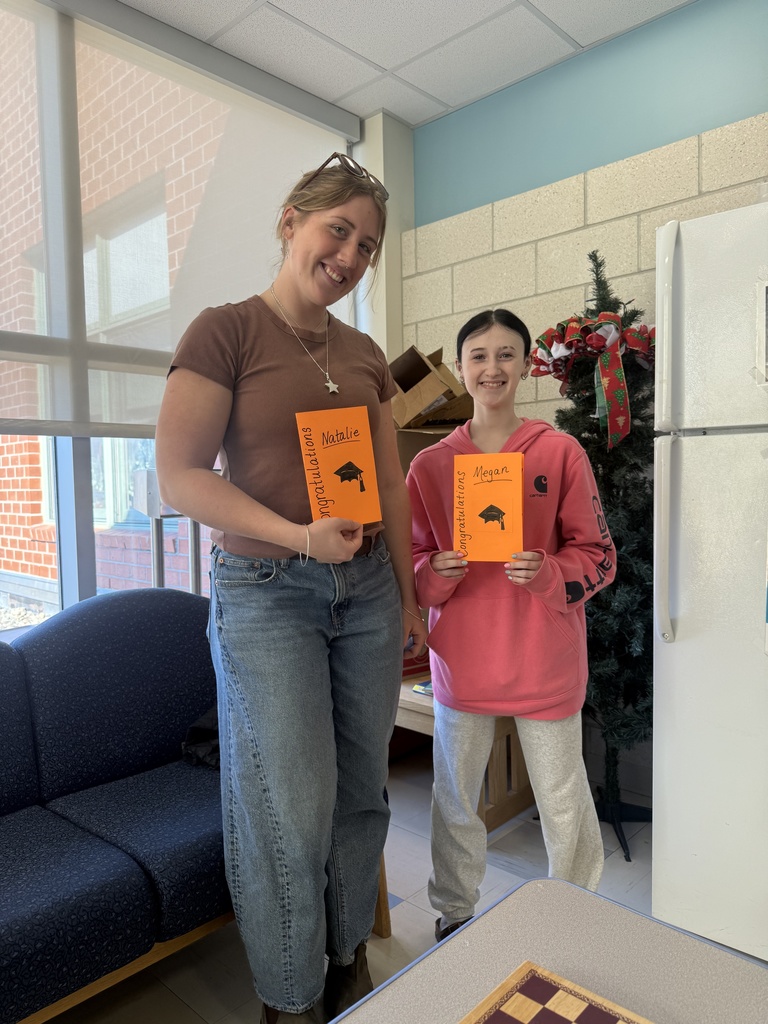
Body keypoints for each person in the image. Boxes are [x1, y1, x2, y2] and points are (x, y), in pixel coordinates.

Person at [155, 152, 426, 1024]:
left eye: (368, 245)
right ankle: (288, 998)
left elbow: (389, 484)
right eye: (337, 230)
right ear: (290, 222)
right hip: (267, 592)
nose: (349, 257)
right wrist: (297, 536)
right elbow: (181, 476)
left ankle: (345, 958)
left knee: (360, 794)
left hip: (369, 598)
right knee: (288, 808)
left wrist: (409, 597)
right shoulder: (225, 331)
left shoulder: (364, 353)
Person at [405, 308, 615, 944]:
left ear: (526, 365)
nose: (491, 368)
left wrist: (550, 572)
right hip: (462, 666)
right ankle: (455, 912)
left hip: (544, 665)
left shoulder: (558, 451)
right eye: (478, 355)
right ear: (462, 368)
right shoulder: (430, 467)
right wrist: (436, 572)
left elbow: (600, 556)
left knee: (562, 797)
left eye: (505, 355)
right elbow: (409, 568)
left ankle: (574, 910)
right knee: (454, 797)